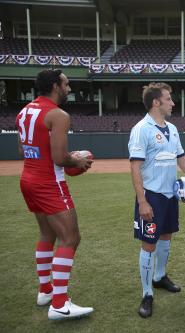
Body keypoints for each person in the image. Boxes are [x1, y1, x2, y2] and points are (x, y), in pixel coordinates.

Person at [15, 69, 94, 320]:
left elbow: (22, 150)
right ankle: (59, 304)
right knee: (71, 238)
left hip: (28, 178)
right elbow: (60, 159)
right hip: (49, 182)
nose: (69, 88)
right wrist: (78, 160)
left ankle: (46, 291)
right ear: (55, 86)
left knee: (47, 233)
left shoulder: (25, 111)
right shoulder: (58, 115)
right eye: (66, 84)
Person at [128, 82, 185, 318]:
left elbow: (181, 160)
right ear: (156, 102)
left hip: (170, 196)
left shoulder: (172, 128)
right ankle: (147, 292)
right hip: (151, 196)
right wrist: (142, 201)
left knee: (166, 237)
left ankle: (160, 277)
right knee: (149, 243)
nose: (173, 103)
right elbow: (135, 168)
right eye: (169, 99)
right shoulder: (141, 129)